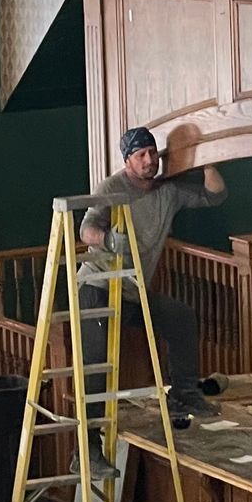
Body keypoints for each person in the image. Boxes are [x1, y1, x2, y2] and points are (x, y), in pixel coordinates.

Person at [76, 126, 226, 478]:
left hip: (132, 290)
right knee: (97, 363)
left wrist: (205, 160)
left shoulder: (167, 191)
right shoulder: (113, 188)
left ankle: (184, 393)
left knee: (181, 318)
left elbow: (215, 195)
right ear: (127, 160)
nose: (149, 161)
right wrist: (110, 241)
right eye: (141, 155)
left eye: (153, 153)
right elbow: (86, 230)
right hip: (97, 285)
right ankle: (87, 449)